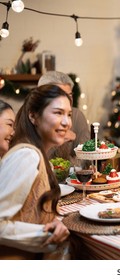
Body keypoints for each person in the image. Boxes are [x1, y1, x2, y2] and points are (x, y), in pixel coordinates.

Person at [0, 85, 71, 259]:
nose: (66, 122)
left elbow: (28, 211)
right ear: (33, 116)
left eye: (68, 114)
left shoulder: (37, 155)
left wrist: (52, 222)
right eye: (58, 113)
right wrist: (44, 234)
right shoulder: (26, 156)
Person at [38, 71, 90, 164]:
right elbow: (33, 163)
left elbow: (86, 156)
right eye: (60, 95)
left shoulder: (77, 116)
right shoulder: (33, 119)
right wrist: (55, 142)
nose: (67, 100)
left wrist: (66, 168)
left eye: (69, 95)